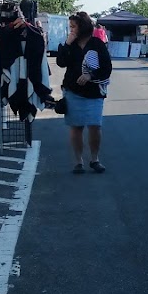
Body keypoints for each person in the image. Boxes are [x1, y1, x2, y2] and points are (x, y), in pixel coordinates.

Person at [56, 12, 113, 173]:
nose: (71, 30)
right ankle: (78, 161)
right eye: (70, 27)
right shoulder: (70, 45)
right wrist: (67, 44)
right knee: (76, 127)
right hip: (73, 91)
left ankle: (95, 159)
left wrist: (90, 75)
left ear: (83, 26)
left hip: (94, 92)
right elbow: (61, 62)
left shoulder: (97, 44)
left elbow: (106, 68)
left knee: (95, 125)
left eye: (74, 27)